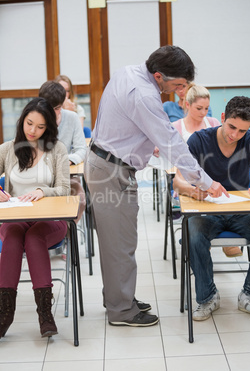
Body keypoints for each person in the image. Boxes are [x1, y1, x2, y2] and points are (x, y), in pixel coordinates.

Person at [84, 45, 228, 328]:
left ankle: (117, 298)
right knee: (120, 244)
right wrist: (206, 182)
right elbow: (172, 143)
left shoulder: (130, 72)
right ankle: (121, 311)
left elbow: (128, 124)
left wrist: (149, 145)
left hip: (105, 162)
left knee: (117, 242)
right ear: (159, 75)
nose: (181, 92)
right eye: (178, 85)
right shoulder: (146, 95)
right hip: (111, 171)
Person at [173, 96, 250, 321]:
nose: (235, 135)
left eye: (242, 131)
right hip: (207, 210)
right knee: (193, 234)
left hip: (241, 211)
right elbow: (177, 182)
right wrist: (196, 190)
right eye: (232, 127)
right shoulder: (199, 140)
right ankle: (207, 298)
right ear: (222, 118)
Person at [0, 97, 70, 338]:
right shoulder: (8, 149)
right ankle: (4, 312)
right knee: (14, 236)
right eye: (29, 124)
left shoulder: (57, 149)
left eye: (40, 127)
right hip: (15, 218)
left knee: (34, 237)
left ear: (48, 127)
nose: (33, 131)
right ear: (22, 121)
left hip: (51, 220)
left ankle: (45, 313)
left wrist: (43, 191)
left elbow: (64, 188)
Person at [172, 85, 242, 257]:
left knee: (225, 193)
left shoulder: (214, 123)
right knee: (202, 199)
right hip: (188, 180)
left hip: (214, 177)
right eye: (199, 108)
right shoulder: (176, 127)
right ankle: (203, 239)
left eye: (206, 108)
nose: (204, 112)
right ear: (187, 105)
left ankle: (217, 238)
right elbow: (176, 166)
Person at [39, 81, 87, 223]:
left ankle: (65, 233)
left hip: (67, 175)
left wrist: (68, 160)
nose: (53, 113)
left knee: (80, 199)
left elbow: (81, 149)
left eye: (57, 108)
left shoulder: (72, 118)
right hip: (40, 178)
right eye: (49, 108)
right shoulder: (35, 119)